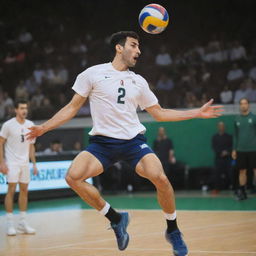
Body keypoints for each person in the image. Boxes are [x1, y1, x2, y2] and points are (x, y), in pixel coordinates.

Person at [26, 31, 223, 256]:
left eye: (139, 47)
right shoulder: (93, 74)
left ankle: (173, 229)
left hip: (132, 142)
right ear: (119, 48)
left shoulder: (138, 81)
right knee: (73, 177)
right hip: (102, 143)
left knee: (161, 178)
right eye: (134, 45)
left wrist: (196, 112)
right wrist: (44, 128)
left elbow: (159, 114)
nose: (138, 51)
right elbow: (72, 108)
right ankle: (116, 218)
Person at [0, 99, 38, 236]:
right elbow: (0, 143)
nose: (24, 110)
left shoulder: (30, 125)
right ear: (16, 110)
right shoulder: (8, 125)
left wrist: (34, 164)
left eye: (26, 108)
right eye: (22, 108)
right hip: (11, 162)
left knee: (24, 190)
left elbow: (31, 146)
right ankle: (10, 223)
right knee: (11, 190)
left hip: (25, 163)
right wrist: (1, 162)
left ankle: (22, 222)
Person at [232, 98, 256, 200]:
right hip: (241, 149)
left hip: (253, 149)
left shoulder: (254, 118)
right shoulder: (237, 119)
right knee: (242, 171)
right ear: (240, 106)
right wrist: (234, 149)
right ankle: (242, 192)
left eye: (245, 103)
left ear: (248, 105)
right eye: (241, 104)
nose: (243, 105)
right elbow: (235, 135)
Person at [211, 122, 233, 193]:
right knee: (217, 174)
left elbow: (231, 147)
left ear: (225, 127)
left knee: (230, 173)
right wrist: (220, 152)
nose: (221, 127)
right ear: (218, 127)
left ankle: (234, 188)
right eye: (220, 126)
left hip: (228, 158)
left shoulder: (229, 137)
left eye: (222, 126)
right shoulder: (215, 137)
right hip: (218, 158)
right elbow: (214, 147)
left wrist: (227, 152)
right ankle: (217, 188)